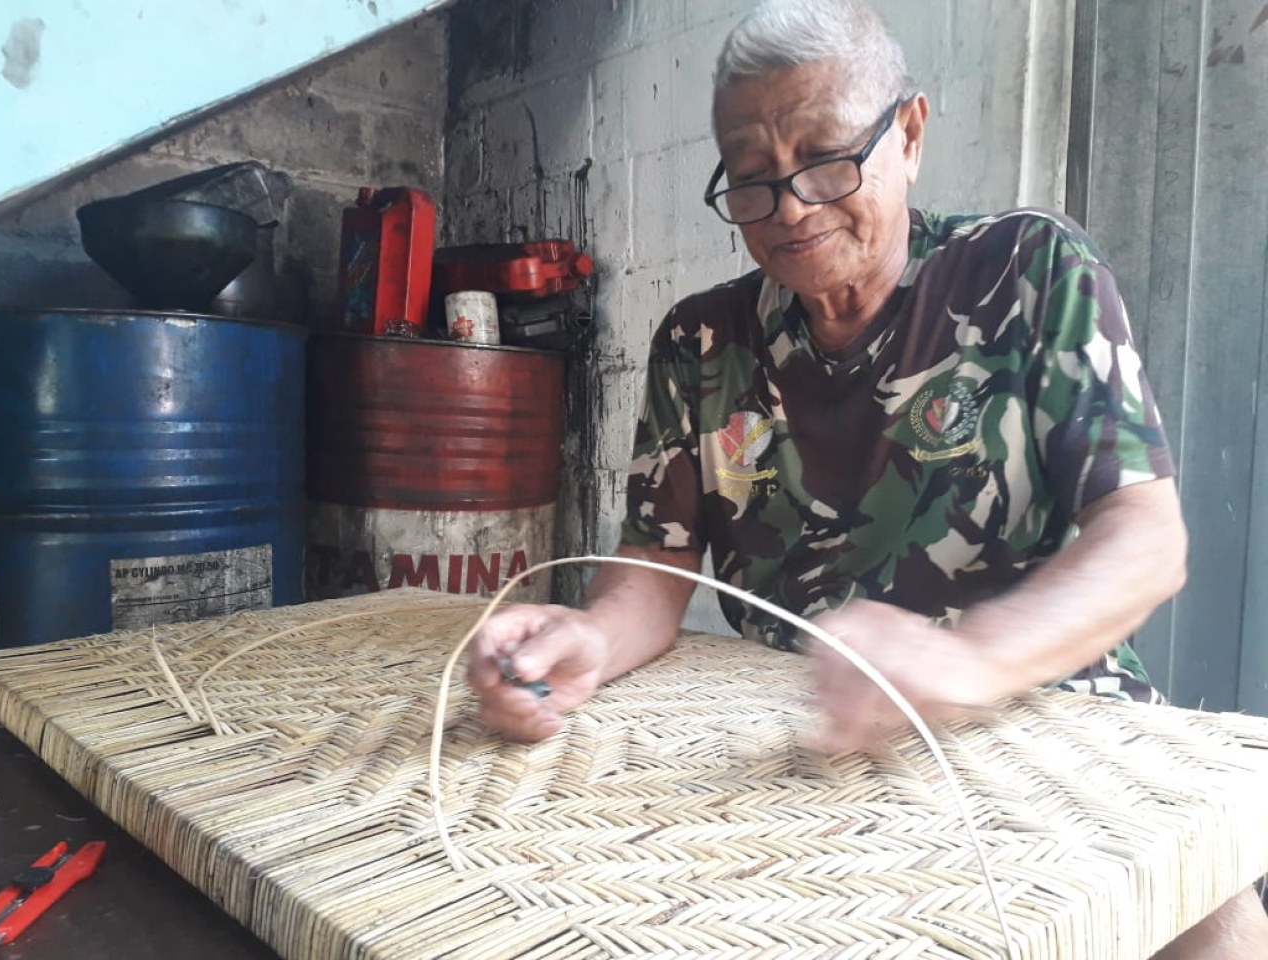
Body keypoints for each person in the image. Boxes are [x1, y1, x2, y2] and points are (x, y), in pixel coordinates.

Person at [466, 1, 1268, 955]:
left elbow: (1144, 539)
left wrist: (971, 659)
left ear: (911, 135)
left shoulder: (1027, 270)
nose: (792, 207)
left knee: (1209, 916)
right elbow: (655, 571)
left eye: (826, 158)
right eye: (754, 181)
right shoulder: (701, 342)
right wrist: (589, 636)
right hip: (812, 751)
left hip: (1050, 726)